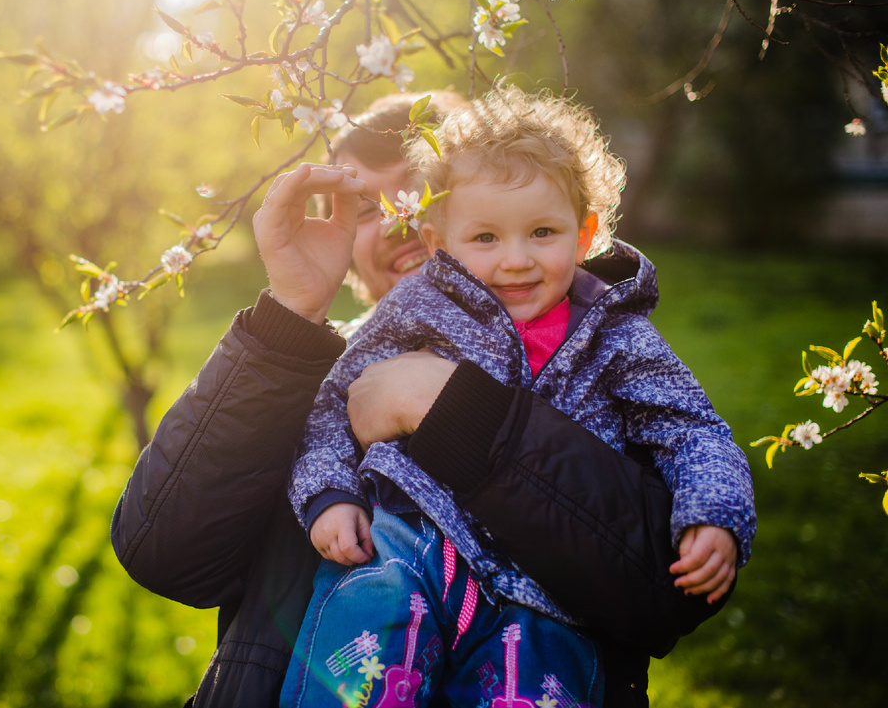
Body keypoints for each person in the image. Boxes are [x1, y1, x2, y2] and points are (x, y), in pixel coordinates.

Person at [111, 91, 736, 708]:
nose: (399, 220)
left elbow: (668, 570)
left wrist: (449, 408)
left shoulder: (609, 338)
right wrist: (290, 318)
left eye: (412, 189)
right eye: (365, 205)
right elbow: (166, 554)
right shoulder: (308, 368)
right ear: (444, 237)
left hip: (541, 624)